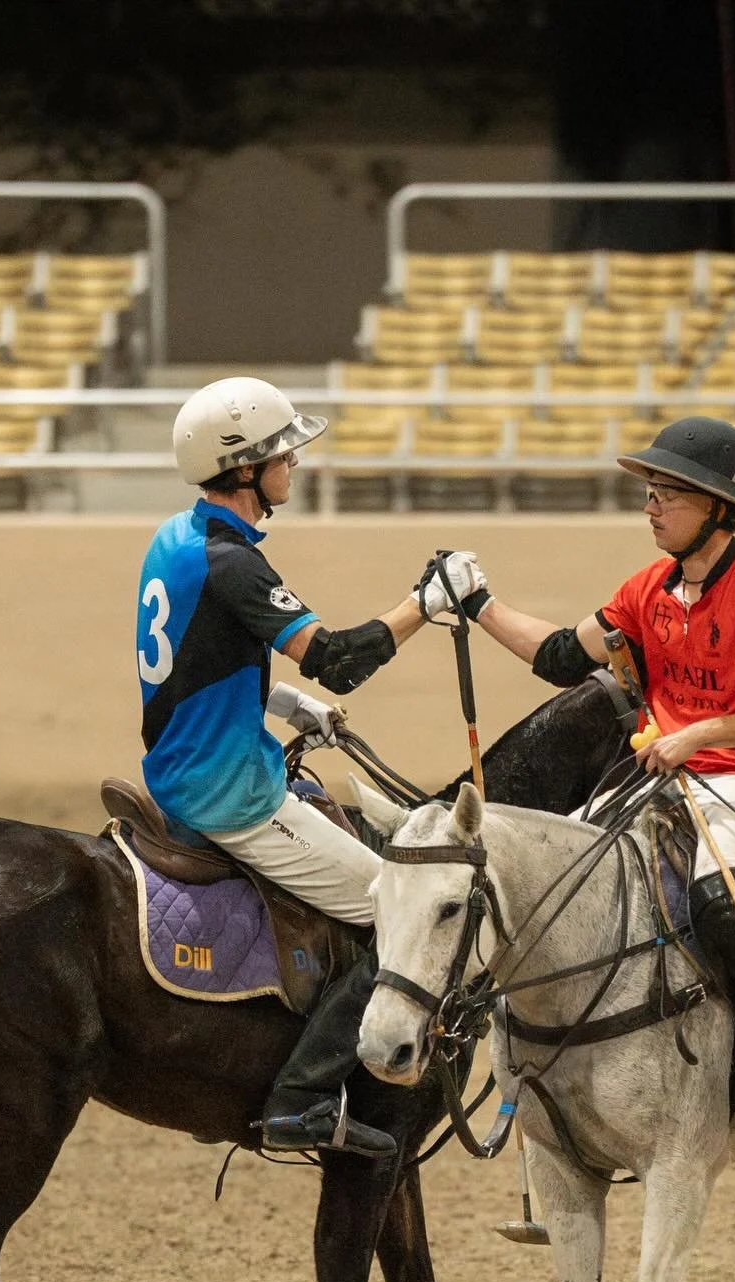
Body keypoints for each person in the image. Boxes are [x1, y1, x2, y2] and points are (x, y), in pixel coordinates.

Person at [136, 373, 483, 1156]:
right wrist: (423, 606)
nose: (295, 463)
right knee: (388, 907)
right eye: (284, 452)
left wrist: (282, 703)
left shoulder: (177, 539)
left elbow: (200, 659)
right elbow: (340, 659)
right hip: (229, 791)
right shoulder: (236, 566)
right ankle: (302, 1097)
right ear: (248, 466)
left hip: (183, 759)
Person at [462, 415, 735, 1126]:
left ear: (721, 509)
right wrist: (479, 603)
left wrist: (700, 733)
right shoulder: (647, 589)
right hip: (659, 775)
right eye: (651, 491)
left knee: (720, 896)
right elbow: (562, 660)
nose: (651, 505)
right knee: (547, 880)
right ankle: (532, 1074)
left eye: (670, 493)